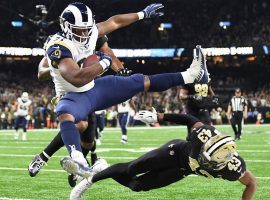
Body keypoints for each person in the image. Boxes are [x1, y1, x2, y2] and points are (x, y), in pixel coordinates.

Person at [43, 2, 209, 178]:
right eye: (79, 30)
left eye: (87, 29)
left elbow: (114, 22)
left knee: (140, 81)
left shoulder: (91, 31)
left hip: (95, 89)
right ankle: (79, 162)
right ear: (66, 26)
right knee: (65, 113)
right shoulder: (58, 45)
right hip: (74, 95)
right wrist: (105, 63)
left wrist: (142, 14)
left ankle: (192, 75)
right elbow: (76, 79)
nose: (84, 34)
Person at [69, 110, 257, 200]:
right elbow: (189, 119)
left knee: (138, 186)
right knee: (131, 168)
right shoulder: (203, 135)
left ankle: (102, 167)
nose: (204, 159)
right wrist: (159, 116)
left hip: (182, 170)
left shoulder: (233, 167)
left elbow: (251, 183)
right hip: (174, 152)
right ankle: (90, 180)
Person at [28, 34, 127, 179]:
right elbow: (40, 73)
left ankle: (76, 169)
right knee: (80, 124)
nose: (82, 33)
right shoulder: (60, 44)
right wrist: (61, 66)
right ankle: (43, 157)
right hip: (69, 93)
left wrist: (119, 69)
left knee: (88, 142)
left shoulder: (91, 35)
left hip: (89, 91)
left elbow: (107, 49)